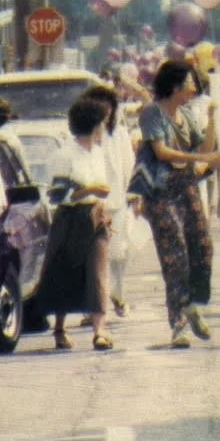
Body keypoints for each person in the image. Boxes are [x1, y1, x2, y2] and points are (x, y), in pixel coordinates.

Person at [131, 59, 220, 347]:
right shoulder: (152, 114)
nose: (194, 87)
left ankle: (195, 304)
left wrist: (211, 123)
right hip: (162, 192)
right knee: (175, 257)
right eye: (188, 83)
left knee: (203, 247)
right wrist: (200, 160)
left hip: (188, 188)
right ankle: (179, 323)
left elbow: (204, 147)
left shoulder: (186, 113)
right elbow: (161, 152)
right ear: (174, 85)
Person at [38, 98, 114, 351]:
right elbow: (57, 196)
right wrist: (90, 189)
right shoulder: (64, 155)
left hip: (96, 217)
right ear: (94, 126)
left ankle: (99, 331)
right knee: (64, 271)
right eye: (102, 124)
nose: (104, 128)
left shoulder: (98, 153)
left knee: (98, 271)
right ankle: (59, 329)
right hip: (70, 219)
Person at [81, 84, 138, 319]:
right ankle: (92, 307)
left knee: (120, 253)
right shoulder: (85, 136)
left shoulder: (121, 134)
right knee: (94, 257)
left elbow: (129, 165)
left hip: (119, 201)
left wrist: (134, 195)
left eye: (109, 108)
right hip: (94, 203)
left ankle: (117, 294)